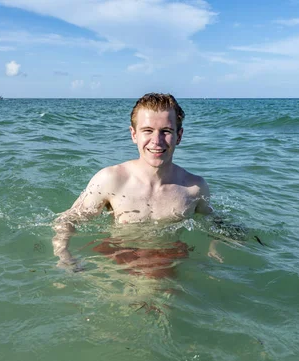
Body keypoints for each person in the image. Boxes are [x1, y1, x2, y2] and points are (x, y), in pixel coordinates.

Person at [52, 93, 216, 274]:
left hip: (168, 262)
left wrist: (214, 247)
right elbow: (68, 219)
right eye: (147, 130)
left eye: (166, 131)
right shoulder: (111, 180)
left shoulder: (194, 188)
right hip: (119, 258)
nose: (156, 141)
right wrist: (63, 254)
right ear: (133, 134)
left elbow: (214, 222)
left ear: (179, 136)